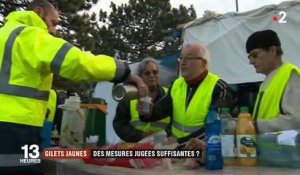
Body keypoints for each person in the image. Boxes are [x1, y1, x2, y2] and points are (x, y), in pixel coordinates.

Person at [0, 0, 147, 174]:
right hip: (15, 128)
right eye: (53, 23)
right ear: (39, 12)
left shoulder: (4, 34)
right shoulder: (30, 36)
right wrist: (125, 72)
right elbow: (81, 63)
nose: (54, 31)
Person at [139, 43, 235, 149]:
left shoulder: (220, 88)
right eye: (181, 58)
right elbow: (160, 110)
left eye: (189, 58)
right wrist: (147, 113)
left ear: (203, 63)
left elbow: (217, 128)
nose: (183, 63)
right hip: (176, 151)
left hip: (205, 154)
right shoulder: (176, 84)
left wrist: (179, 143)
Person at [246, 29, 300, 133]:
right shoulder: (267, 81)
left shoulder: (291, 74)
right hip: (270, 147)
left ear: (272, 50)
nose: (251, 61)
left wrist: (254, 126)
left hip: (288, 148)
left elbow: (295, 121)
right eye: (249, 57)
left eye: (254, 55)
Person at [113, 57, 170, 142]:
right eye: (147, 73)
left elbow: (176, 122)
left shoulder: (168, 94)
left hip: (163, 147)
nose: (152, 75)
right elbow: (119, 124)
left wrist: (165, 136)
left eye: (155, 72)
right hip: (136, 147)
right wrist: (140, 135)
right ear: (140, 77)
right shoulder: (130, 96)